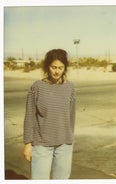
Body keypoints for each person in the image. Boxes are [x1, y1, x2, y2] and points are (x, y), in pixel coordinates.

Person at [23, 49, 76, 179]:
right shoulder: (37, 87)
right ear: (47, 67)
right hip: (41, 145)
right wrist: (27, 144)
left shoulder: (70, 88)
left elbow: (71, 116)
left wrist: (69, 138)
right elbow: (29, 116)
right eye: (53, 67)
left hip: (64, 145)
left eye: (60, 67)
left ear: (65, 68)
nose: (57, 71)